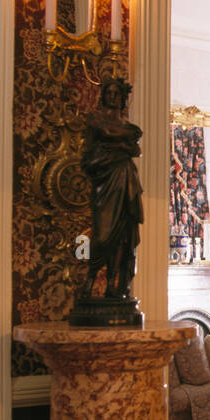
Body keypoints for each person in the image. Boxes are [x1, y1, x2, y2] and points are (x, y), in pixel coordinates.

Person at [79, 76, 144, 301]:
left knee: (124, 237)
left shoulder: (128, 127)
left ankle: (114, 287)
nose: (113, 97)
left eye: (117, 93)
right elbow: (100, 143)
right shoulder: (96, 120)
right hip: (105, 182)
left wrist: (121, 144)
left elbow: (136, 147)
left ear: (123, 98)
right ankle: (89, 281)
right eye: (109, 93)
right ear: (104, 96)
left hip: (126, 180)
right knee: (102, 236)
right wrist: (123, 145)